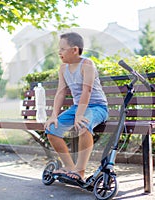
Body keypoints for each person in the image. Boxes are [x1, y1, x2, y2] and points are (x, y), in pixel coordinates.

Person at [44, 32, 108, 182]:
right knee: (51, 130)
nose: (59, 52)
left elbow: (87, 90)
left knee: (83, 124)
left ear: (74, 50)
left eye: (62, 49)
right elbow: (60, 93)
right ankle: (70, 167)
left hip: (97, 107)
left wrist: (80, 115)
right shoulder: (63, 68)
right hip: (77, 108)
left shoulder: (87, 64)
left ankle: (80, 171)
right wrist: (53, 115)